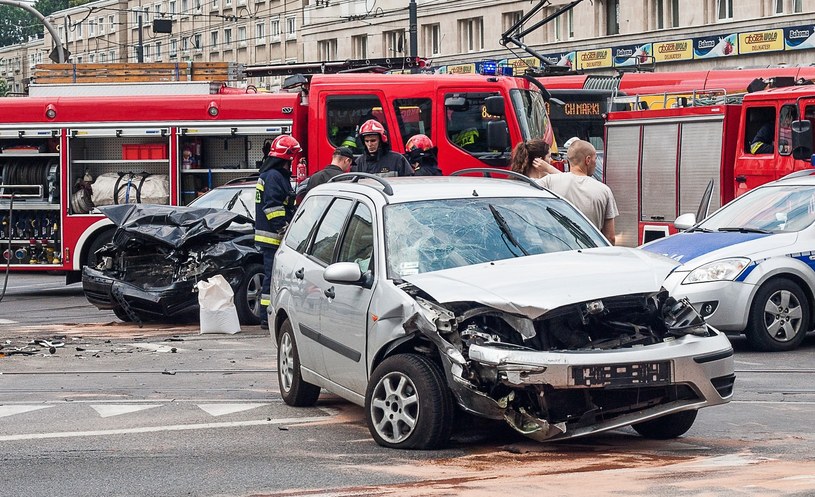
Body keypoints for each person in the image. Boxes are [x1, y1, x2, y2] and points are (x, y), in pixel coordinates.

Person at [255, 134, 300, 330]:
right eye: (292, 158)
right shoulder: (274, 177)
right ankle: (266, 318)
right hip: (273, 237)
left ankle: (268, 316)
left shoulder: (270, 174)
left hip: (269, 237)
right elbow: (272, 206)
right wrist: (283, 228)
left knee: (272, 276)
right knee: (271, 278)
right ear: (286, 158)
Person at [536, 139, 619, 245]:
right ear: (588, 160)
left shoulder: (548, 182)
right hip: (591, 254)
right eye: (595, 159)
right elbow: (610, 237)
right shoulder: (604, 190)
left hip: (558, 251)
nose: (595, 163)